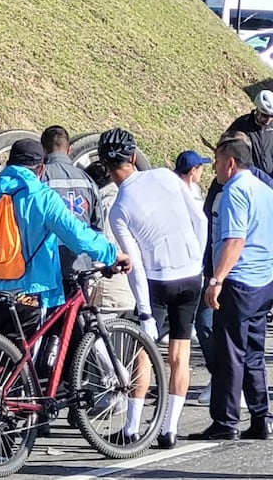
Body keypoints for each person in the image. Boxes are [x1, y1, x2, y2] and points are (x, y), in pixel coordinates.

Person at [101, 128, 207, 449]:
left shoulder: (118, 208)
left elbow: (135, 265)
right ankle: (169, 429)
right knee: (180, 355)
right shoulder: (165, 175)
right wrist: (196, 260)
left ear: (106, 166)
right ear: (133, 157)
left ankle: (132, 428)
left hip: (157, 279)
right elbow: (200, 221)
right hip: (191, 274)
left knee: (144, 355)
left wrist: (145, 311)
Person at [0, 138, 130, 342]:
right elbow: (77, 234)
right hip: (29, 294)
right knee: (25, 365)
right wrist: (112, 254)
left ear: (8, 165)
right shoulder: (43, 198)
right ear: (41, 169)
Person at [189, 134, 273, 441]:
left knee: (230, 353)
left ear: (231, 162)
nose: (216, 170)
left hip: (238, 280)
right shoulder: (265, 190)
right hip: (263, 280)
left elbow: (235, 240)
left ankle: (225, 421)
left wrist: (216, 279)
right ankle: (261, 417)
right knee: (253, 352)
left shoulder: (234, 192)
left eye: (218, 163)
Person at [40, 125, 102, 280]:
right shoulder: (88, 181)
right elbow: (98, 225)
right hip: (82, 261)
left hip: (50, 262)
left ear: (43, 149)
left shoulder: (40, 178)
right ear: (68, 149)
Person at [84, 162, 135, 317]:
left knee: (100, 337)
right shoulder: (123, 198)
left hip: (108, 285)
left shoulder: (106, 202)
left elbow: (108, 240)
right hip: (125, 283)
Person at [225, 89, 273, 176]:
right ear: (257, 110)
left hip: (269, 178)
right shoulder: (242, 124)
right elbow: (226, 145)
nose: (268, 120)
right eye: (265, 115)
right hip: (249, 176)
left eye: (272, 116)